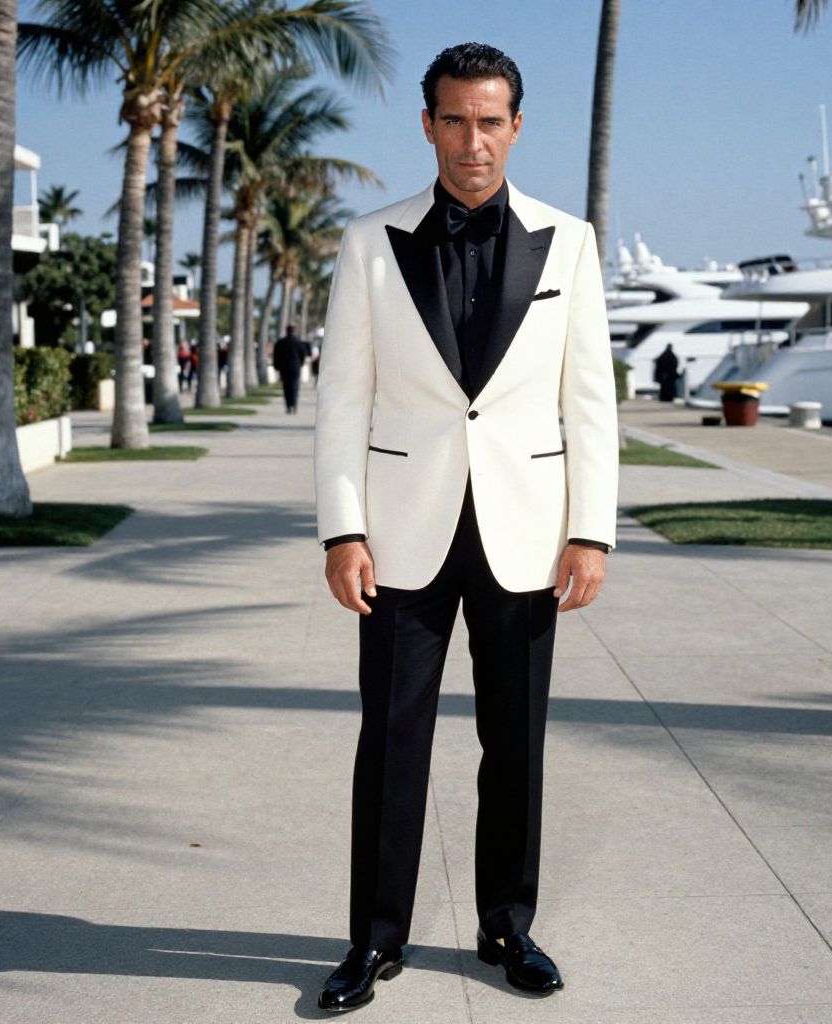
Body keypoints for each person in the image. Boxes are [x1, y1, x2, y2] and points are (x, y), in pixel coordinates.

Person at [313, 42, 618, 1014]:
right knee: (391, 740)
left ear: (516, 127)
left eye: (490, 121)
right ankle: (374, 940)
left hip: (527, 533)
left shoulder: (569, 244)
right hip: (400, 531)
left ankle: (507, 925)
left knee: (514, 741)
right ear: (427, 125)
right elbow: (341, 403)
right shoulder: (369, 244)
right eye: (454, 120)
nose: (472, 141)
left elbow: (590, 405)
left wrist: (592, 531)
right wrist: (341, 530)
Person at [273, 323, 311, 413]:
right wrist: (300, 364)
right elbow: (303, 355)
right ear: (294, 331)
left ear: (287, 331)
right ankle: (293, 405)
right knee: (294, 387)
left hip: (284, 368)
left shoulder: (280, 342)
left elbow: (276, 356)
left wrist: (276, 366)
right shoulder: (298, 342)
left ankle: (289, 406)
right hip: (295, 368)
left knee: (286, 388)